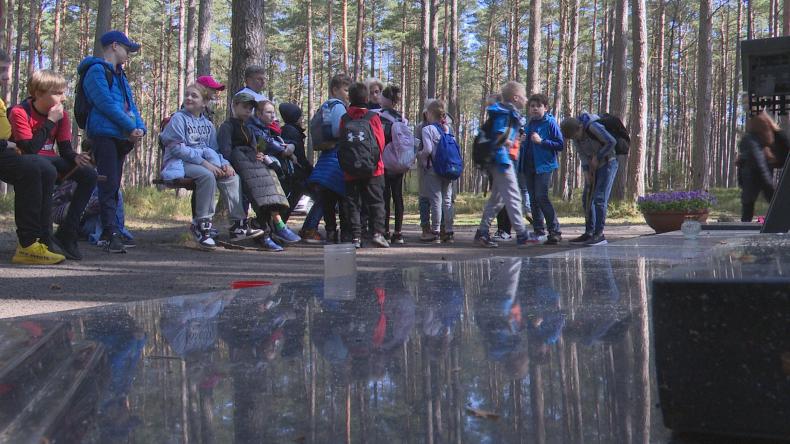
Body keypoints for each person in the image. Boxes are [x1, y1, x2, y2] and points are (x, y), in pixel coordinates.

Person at [9, 69, 98, 260]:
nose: (63, 98)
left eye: (64, 92)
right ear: (39, 93)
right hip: (27, 162)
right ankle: (44, 237)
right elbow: (29, 150)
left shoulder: (62, 115)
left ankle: (68, 233)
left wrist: (76, 157)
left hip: (51, 160)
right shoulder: (20, 112)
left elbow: (64, 149)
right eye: (58, 93)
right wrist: (50, 121)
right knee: (46, 168)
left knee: (89, 174)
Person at [160, 84, 259, 250]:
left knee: (231, 177)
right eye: (187, 94)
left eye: (194, 96)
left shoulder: (208, 124)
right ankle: (202, 225)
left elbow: (214, 150)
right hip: (180, 162)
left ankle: (238, 225)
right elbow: (176, 148)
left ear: (204, 102)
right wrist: (205, 163)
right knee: (207, 176)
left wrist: (225, 164)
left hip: (204, 162)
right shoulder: (178, 118)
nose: (189, 98)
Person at [77, 30, 146, 253]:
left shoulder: (120, 75)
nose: (128, 54)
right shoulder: (95, 71)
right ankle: (110, 232)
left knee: (114, 184)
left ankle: (111, 230)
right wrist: (130, 126)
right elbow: (105, 104)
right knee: (107, 184)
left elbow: (131, 105)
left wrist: (140, 128)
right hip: (103, 134)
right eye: (127, 49)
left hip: (120, 137)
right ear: (114, 46)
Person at [0, 50, 65, 264]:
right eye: (2, 70)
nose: (7, 77)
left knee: (44, 167)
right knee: (32, 166)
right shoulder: (21, 111)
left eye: (7, 71)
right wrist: (6, 144)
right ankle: (28, 244)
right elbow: (30, 147)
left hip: (5, 151)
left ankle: (41, 239)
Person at [218, 92, 295, 252]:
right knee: (260, 193)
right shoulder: (227, 126)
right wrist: (230, 164)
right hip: (239, 165)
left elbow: (257, 147)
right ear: (234, 106)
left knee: (270, 184)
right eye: (244, 107)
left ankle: (273, 228)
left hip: (253, 163)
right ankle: (266, 233)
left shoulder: (248, 128)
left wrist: (259, 153)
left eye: (250, 108)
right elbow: (225, 151)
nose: (248, 111)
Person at [474, 81, 534, 248]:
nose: (526, 99)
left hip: (501, 160)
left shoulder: (507, 112)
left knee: (497, 199)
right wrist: (506, 142)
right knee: (514, 196)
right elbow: (499, 135)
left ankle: (482, 232)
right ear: (516, 98)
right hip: (501, 160)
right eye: (524, 96)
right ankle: (522, 234)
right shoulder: (504, 113)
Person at [339, 82, 388, 248]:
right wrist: (375, 161)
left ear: (350, 98)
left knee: (353, 203)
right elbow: (380, 142)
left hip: (350, 169)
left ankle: (356, 237)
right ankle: (378, 233)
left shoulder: (344, 118)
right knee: (376, 202)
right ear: (366, 98)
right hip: (374, 169)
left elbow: (341, 142)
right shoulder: (373, 117)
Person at [247, 100, 302, 245]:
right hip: (253, 169)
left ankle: (268, 229)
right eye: (268, 112)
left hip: (261, 167)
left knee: (277, 192)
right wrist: (287, 149)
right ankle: (273, 228)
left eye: (273, 112)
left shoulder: (265, 128)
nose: (273, 116)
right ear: (258, 114)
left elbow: (265, 146)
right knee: (270, 193)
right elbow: (267, 144)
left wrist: (289, 148)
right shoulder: (254, 128)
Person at [560, 113, 618, 246]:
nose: (575, 139)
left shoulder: (593, 127)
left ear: (580, 128)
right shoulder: (575, 137)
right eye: (572, 138)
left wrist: (598, 156)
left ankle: (599, 235)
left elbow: (611, 142)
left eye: (576, 135)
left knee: (599, 198)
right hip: (593, 167)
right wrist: (586, 172)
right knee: (587, 198)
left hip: (608, 163)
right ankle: (589, 233)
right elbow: (582, 155)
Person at [308, 74, 351, 244]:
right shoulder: (339, 106)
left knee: (327, 200)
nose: (348, 94)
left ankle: (331, 232)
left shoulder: (325, 105)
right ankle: (343, 233)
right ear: (335, 90)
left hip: (326, 158)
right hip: (337, 159)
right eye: (346, 90)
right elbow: (337, 130)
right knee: (341, 197)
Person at [518, 93, 564, 244]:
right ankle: (538, 231)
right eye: (532, 106)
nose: (535, 109)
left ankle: (555, 231)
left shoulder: (550, 123)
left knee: (541, 197)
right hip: (528, 166)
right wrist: (522, 141)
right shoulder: (529, 124)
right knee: (533, 199)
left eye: (538, 106)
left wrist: (542, 141)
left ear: (546, 108)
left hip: (544, 165)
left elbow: (560, 144)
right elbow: (527, 145)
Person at [279, 102, 325, 243]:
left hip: (298, 176)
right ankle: (308, 229)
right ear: (294, 117)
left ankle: (278, 228)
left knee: (290, 204)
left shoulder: (290, 130)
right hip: (298, 176)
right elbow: (298, 156)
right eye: (299, 116)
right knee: (322, 197)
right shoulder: (291, 131)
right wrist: (310, 170)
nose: (301, 119)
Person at [417, 99, 456, 243]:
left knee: (436, 200)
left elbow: (427, 150)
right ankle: (449, 230)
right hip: (449, 169)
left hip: (434, 170)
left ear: (429, 114)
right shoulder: (447, 128)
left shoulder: (427, 129)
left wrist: (420, 155)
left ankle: (436, 230)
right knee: (447, 200)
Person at [737, 112, 784, 222]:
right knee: (776, 204)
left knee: (747, 210)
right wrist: (768, 180)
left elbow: (742, 161)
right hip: (757, 178)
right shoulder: (753, 141)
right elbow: (759, 161)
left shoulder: (751, 139)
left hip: (749, 180)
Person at [379, 85, 408, 244]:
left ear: (385, 99)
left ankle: (385, 231)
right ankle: (399, 232)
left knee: (385, 196)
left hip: (384, 161)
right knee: (398, 196)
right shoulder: (401, 119)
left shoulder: (379, 116)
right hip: (399, 162)